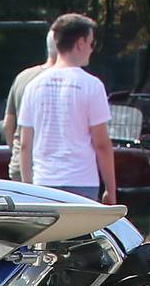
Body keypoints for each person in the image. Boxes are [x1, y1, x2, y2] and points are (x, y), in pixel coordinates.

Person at [15, 13, 115, 202]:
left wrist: (27, 189)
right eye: (91, 43)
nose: (92, 50)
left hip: (43, 181)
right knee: (80, 232)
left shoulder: (33, 85)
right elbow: (101, 144)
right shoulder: (92, 85)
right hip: (82, 180)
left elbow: (25, 144)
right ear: (81, 42)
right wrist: (110, 188)